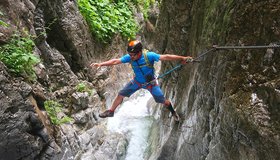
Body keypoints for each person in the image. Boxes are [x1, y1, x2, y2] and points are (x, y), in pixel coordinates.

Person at [90, 40, 193, 121]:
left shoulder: (149, 56)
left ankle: (173, 112)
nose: (131, 57)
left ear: (139, 52)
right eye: (130, 55)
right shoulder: (130, 57)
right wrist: (101, 64)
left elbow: (166, 57)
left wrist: (182, 58)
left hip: (150, 84)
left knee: (164, 102)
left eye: (133, 55)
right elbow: (116, 61)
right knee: (120, 94)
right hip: (137, 82)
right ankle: (111, 111)